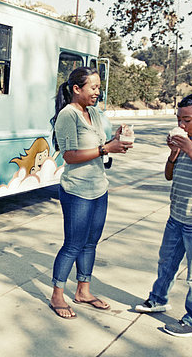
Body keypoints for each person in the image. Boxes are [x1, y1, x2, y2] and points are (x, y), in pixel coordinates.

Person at [135, 93, 192, 338]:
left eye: (187, 120)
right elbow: (169, 175)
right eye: (179, 119)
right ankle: (158, 299)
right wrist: (174, 154)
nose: (181, 125)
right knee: (166, 261)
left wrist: (191, 149)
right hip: (177, 215)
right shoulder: (183, 142)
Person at [49, 67, 133, 319]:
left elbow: (104, 141)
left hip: (99, 188)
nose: (98, 92)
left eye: (99, 87)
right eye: (93, 87)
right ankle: (57, 296)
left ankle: (83, 291)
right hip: (77, 191)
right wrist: (107, 149)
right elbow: (70, 156)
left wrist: (118, 137)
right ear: (77, 89)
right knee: (73, 244)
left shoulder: (95, 113)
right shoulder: (68, 115)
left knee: (90, 243)